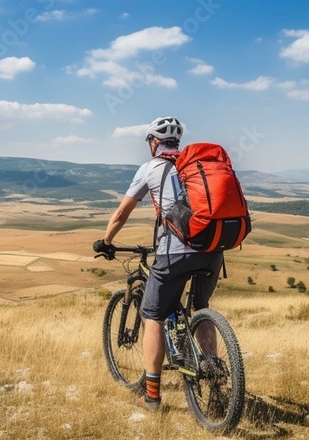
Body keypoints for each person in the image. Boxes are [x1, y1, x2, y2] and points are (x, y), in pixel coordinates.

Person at [93, 116, 224, 412]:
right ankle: (216, 381)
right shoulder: (196, 166)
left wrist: (106, 240)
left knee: (152, 313)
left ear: (154, 141)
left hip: (174, 251)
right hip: (213, 249)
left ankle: (152, 396)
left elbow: (121, 213)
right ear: (176, 142)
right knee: (200, 308)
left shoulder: (151, 168)